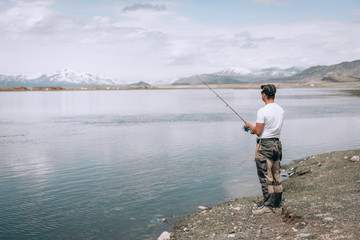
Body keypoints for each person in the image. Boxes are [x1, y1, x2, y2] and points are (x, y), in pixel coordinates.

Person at [244, 84, 284, 215]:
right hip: (277, 144)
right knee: (276, 175)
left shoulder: (262, 111)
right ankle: (277, 203)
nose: (261, 95)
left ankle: (267, 205)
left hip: (264, 146)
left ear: (264, 95)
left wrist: (250, 126)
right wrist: (255, 130)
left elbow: (258, 131)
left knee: (265, 176)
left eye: (262, 93)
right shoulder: (280, 110)